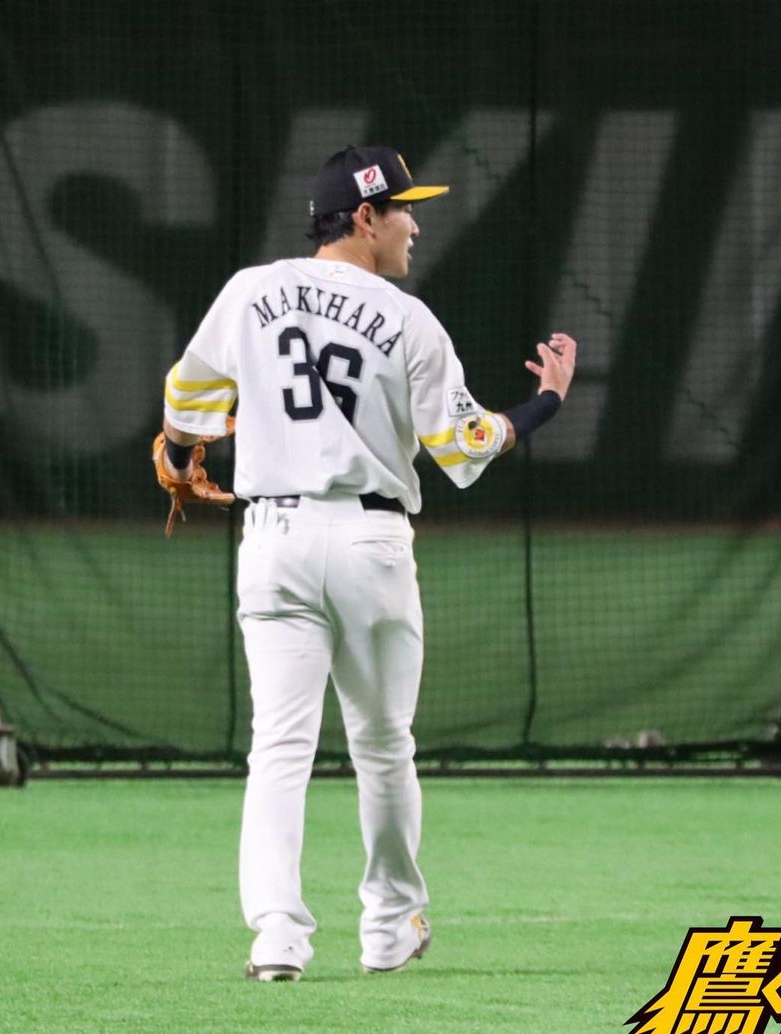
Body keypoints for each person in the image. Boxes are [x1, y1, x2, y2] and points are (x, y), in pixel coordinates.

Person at [158, 145, 576, 981]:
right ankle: (388, 928)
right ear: (363, 217)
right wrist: (545, 402)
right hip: (369, 544)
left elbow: (187, 405)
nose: (414, 225)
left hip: (273, 539)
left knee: (278, 748)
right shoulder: (410, 320)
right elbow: (465, 445)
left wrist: (174, 454)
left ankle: (277, 938)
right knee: (383, 747)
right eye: (403, 209)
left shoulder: (249, 292)